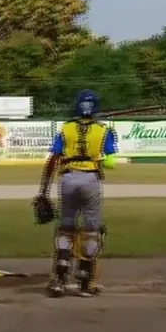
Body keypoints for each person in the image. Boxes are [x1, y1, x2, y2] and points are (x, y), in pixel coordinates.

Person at [36, 89, 117, 298]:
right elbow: (111, 162)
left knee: (66, 228)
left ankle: (59, 280)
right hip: (90, 179)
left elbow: (53, 159)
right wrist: (100, 156)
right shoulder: (103, 131)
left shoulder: (66, 128)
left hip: (67, 179)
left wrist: (43, 190)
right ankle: (84, 281)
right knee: (91, 230)